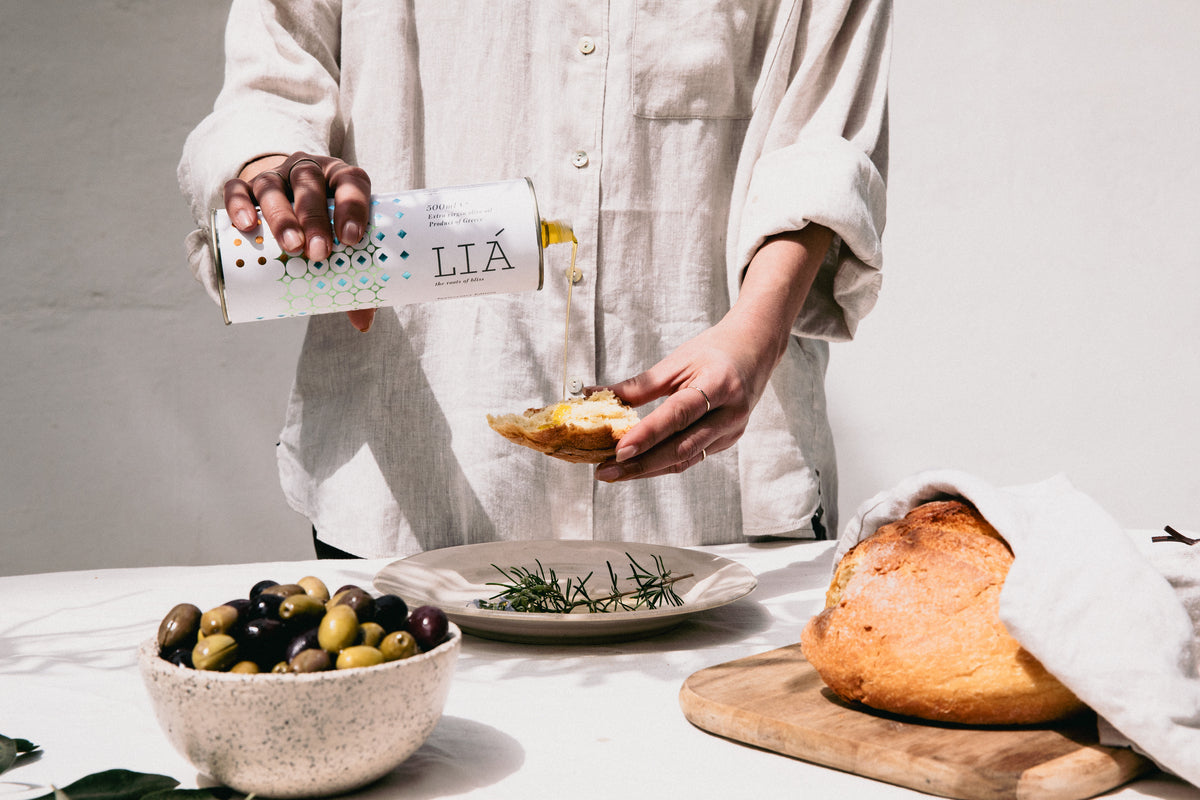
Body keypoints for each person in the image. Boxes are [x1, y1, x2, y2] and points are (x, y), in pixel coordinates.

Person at [179, 1, 892, 558]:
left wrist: (756, 334)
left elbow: (821, 140)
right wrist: (272, 169)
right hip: (410, 487)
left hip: (717, 501)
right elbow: (271, 76)